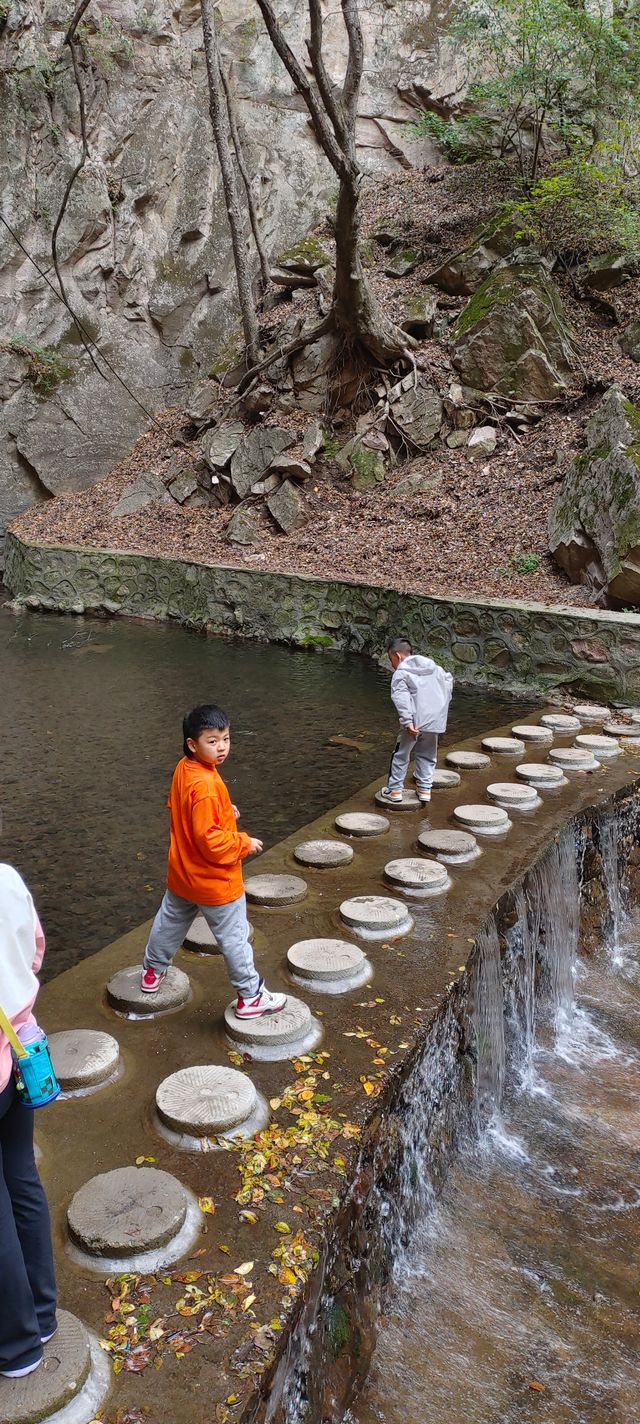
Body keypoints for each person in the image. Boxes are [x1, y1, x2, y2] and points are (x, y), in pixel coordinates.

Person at [141, 704, 287, 1019]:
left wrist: (223, 810)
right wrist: (243, 842)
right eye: (212, 741)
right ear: (193, 744)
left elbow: (183, 807)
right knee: (234, 938)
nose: (221, 748)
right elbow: (211, 842)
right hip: (215, 882)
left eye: (226, 739)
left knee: (169, 922)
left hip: (183, 873)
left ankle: (152, 972)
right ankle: (251, 996)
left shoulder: (186, 767)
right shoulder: (206, 785)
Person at [0, 864, 57, 1380]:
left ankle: (16, 1348)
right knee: (21, 1178)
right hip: (21, 1049)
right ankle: (41, 1316)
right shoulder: (8, 878)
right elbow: (35, 949)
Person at [379, 637, 453, 805]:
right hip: (434, 721)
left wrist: (407, 722)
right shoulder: (436, 669)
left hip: (413, 721)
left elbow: (401, 698)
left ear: (397, 655)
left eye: (391, 660)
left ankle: (395, 790)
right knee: (427, 755)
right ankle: (425, 789)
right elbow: (448, 683)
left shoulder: (401, 673)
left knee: (401, 754)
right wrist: (440, 710)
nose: (392, 665)